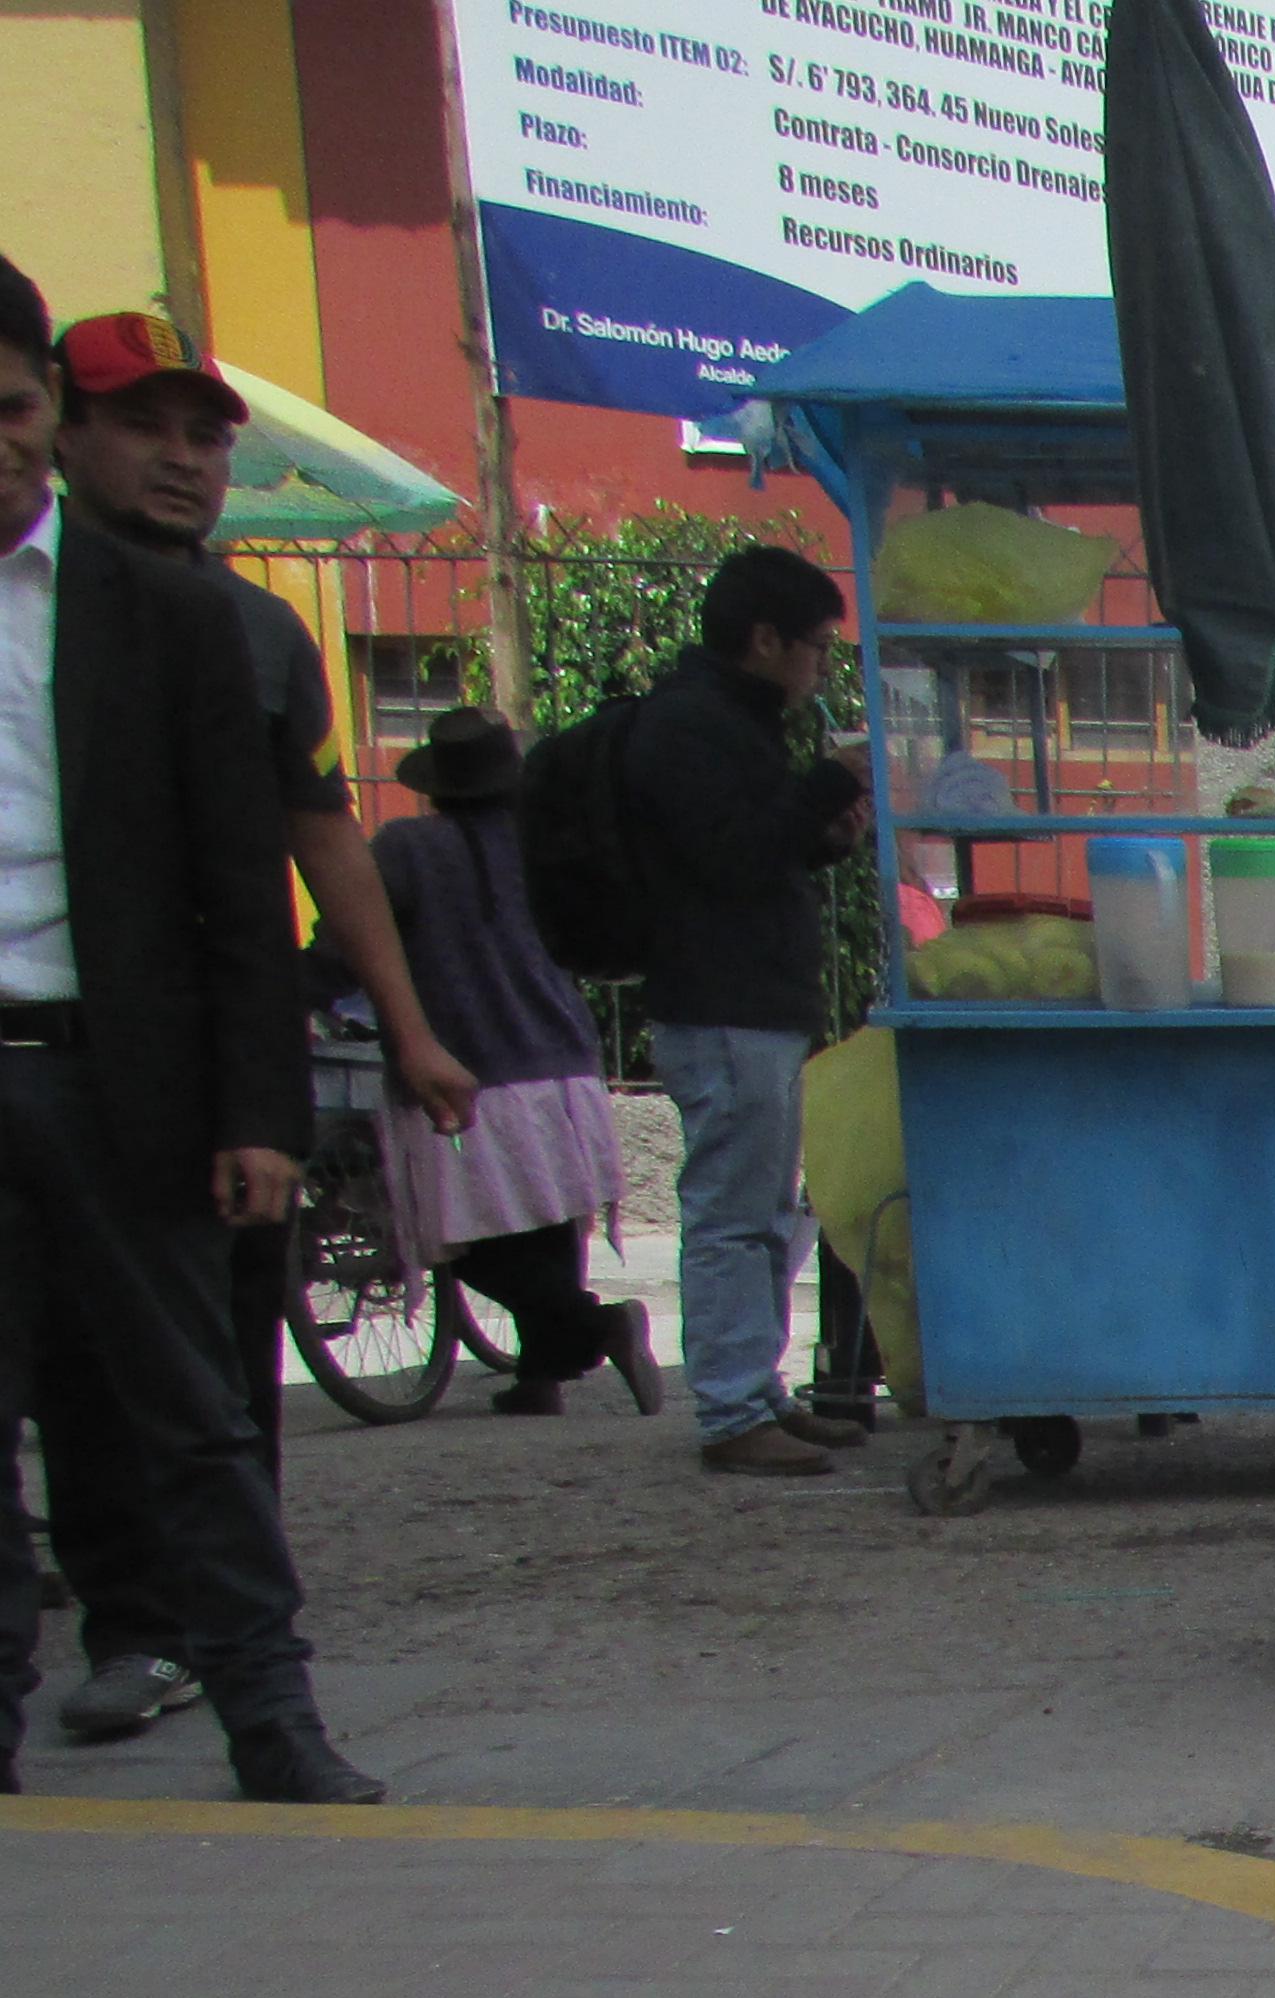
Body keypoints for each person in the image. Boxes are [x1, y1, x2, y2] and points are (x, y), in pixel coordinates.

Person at [28, 306, 480, 1743]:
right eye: (141, 427)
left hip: (149, 1073)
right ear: (68, 426)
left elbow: (290, 850)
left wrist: (399, 1033)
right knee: (73, 1382)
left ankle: (248, 1687)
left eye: (202, 436)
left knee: (202, 1387)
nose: (177, 461)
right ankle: (127, 1627)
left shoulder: (229, 626)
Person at [0, 254, 383, 1802]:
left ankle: (271, 1722)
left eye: (11, 408)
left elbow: (245, 886)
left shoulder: (162, 616)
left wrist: (260, 1115)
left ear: (41, 416)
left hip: (116, 1081)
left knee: (198, 1419)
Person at [622, 542, 869, 1477]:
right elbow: (725, 857)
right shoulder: (691, 728)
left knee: (767, 1210)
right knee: (732, 1214)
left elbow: (758, 857)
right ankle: (730, 1407)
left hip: (751, 1001)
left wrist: (822, 831)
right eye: (813, 645)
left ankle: (756, 1390)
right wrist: (827, 785)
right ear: (764, 639)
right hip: (720, 1004)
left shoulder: (736, 724)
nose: (818, 666)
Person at [367, 706, 660, 1415]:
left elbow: (351, 941)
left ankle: (597, 1326)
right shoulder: (544, 843)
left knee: (463, 1239)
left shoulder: (403, 849)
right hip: (564, 1057)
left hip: (469, 1066)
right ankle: (541, 1375)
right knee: (551, 1218)